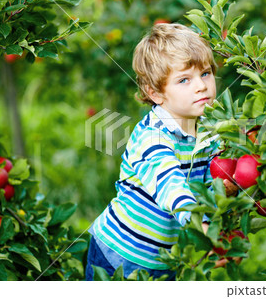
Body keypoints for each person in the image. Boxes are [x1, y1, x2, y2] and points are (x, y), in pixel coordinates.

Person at [86, 23, 236, 281]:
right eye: (184, 80)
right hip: (119, 254)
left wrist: (227, 189)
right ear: (155, 93)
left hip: (165, 258)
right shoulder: (152, 137)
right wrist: (203, 230)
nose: (201, 86)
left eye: (206, 73)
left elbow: (209, 183)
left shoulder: (209, 131)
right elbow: (171, 188)